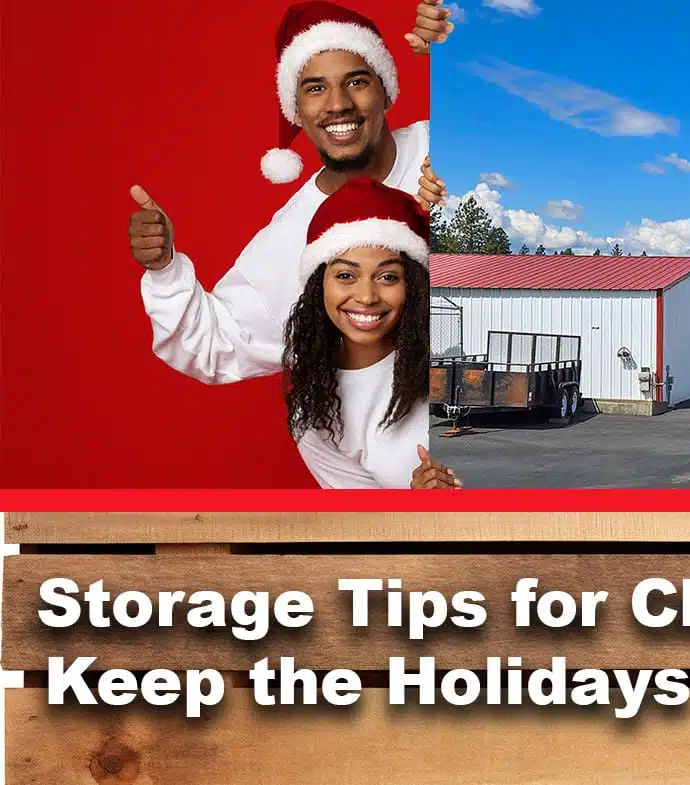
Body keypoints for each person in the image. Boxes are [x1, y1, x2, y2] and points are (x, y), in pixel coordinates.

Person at [127, 0, 453, 386]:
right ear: (296, 111)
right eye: (316, 88)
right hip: (394, 437)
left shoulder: (449, 144)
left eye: (357, 82)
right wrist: (164, 272)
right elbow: (216, 345)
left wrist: (467, 40)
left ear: (387, 91)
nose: (338, 104)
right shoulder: (290, 238)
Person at [283, 177, 460, 489]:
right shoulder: (314, 409)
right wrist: (416, 506)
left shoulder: (444, 364)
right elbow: (368, 526)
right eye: (346, 275)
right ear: (318, 284)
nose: (366, 297)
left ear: (412, 286)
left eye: (388, 276)